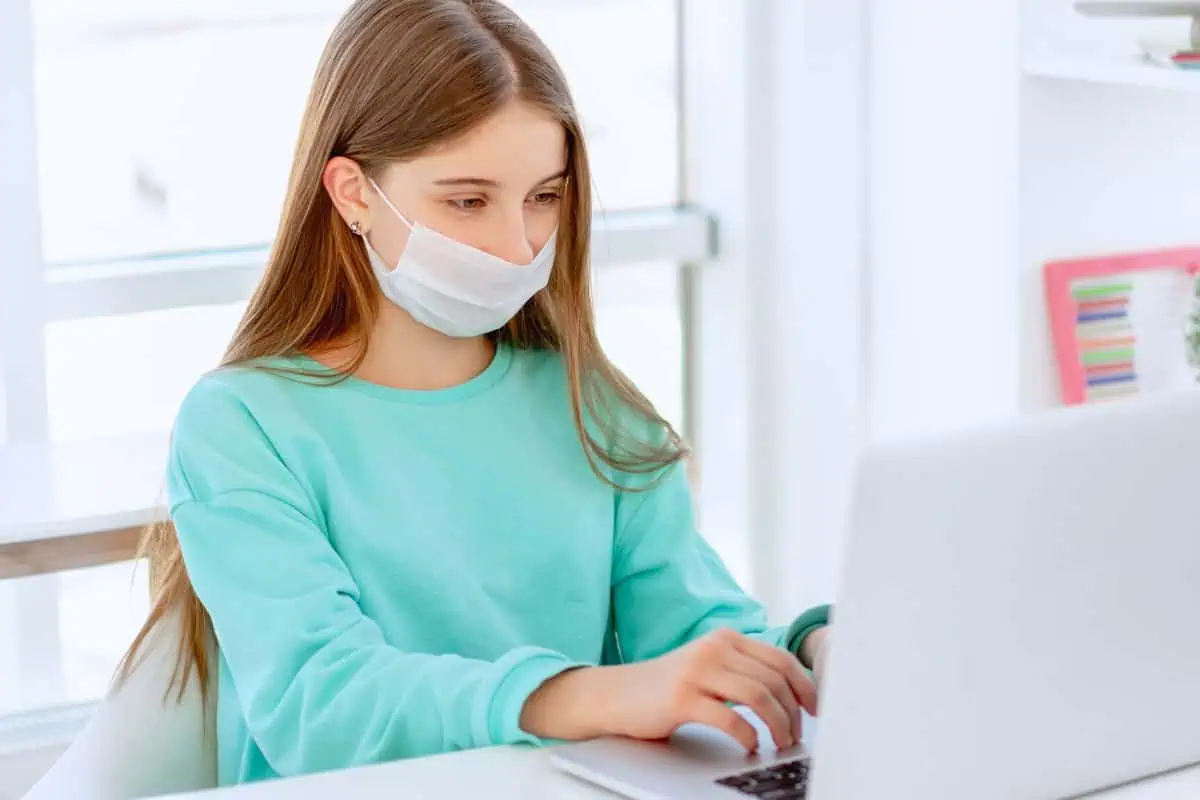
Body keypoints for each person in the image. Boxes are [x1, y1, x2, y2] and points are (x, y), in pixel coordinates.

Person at [119, 0, 832, 787]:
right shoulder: (244, 424)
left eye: (544, 197)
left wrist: (808, 650)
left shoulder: (589, 405)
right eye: (467, 200)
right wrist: (582, 695)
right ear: (353, 193)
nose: (518, 243)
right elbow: (324, 707)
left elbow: (694, 627)